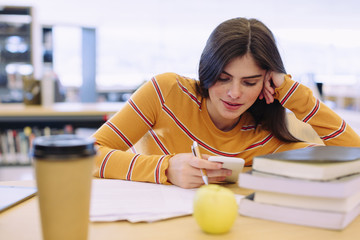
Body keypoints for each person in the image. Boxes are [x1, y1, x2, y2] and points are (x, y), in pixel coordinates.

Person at [92, 17, 360, 189]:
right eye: (223, 78)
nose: (234, 93)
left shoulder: (268, 140)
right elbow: (88, 155)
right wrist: (165, 168)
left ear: (266, 84)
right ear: (206, 71)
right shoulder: (165, 93)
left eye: (249, 82)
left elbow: (355, 156)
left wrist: (291, 91)